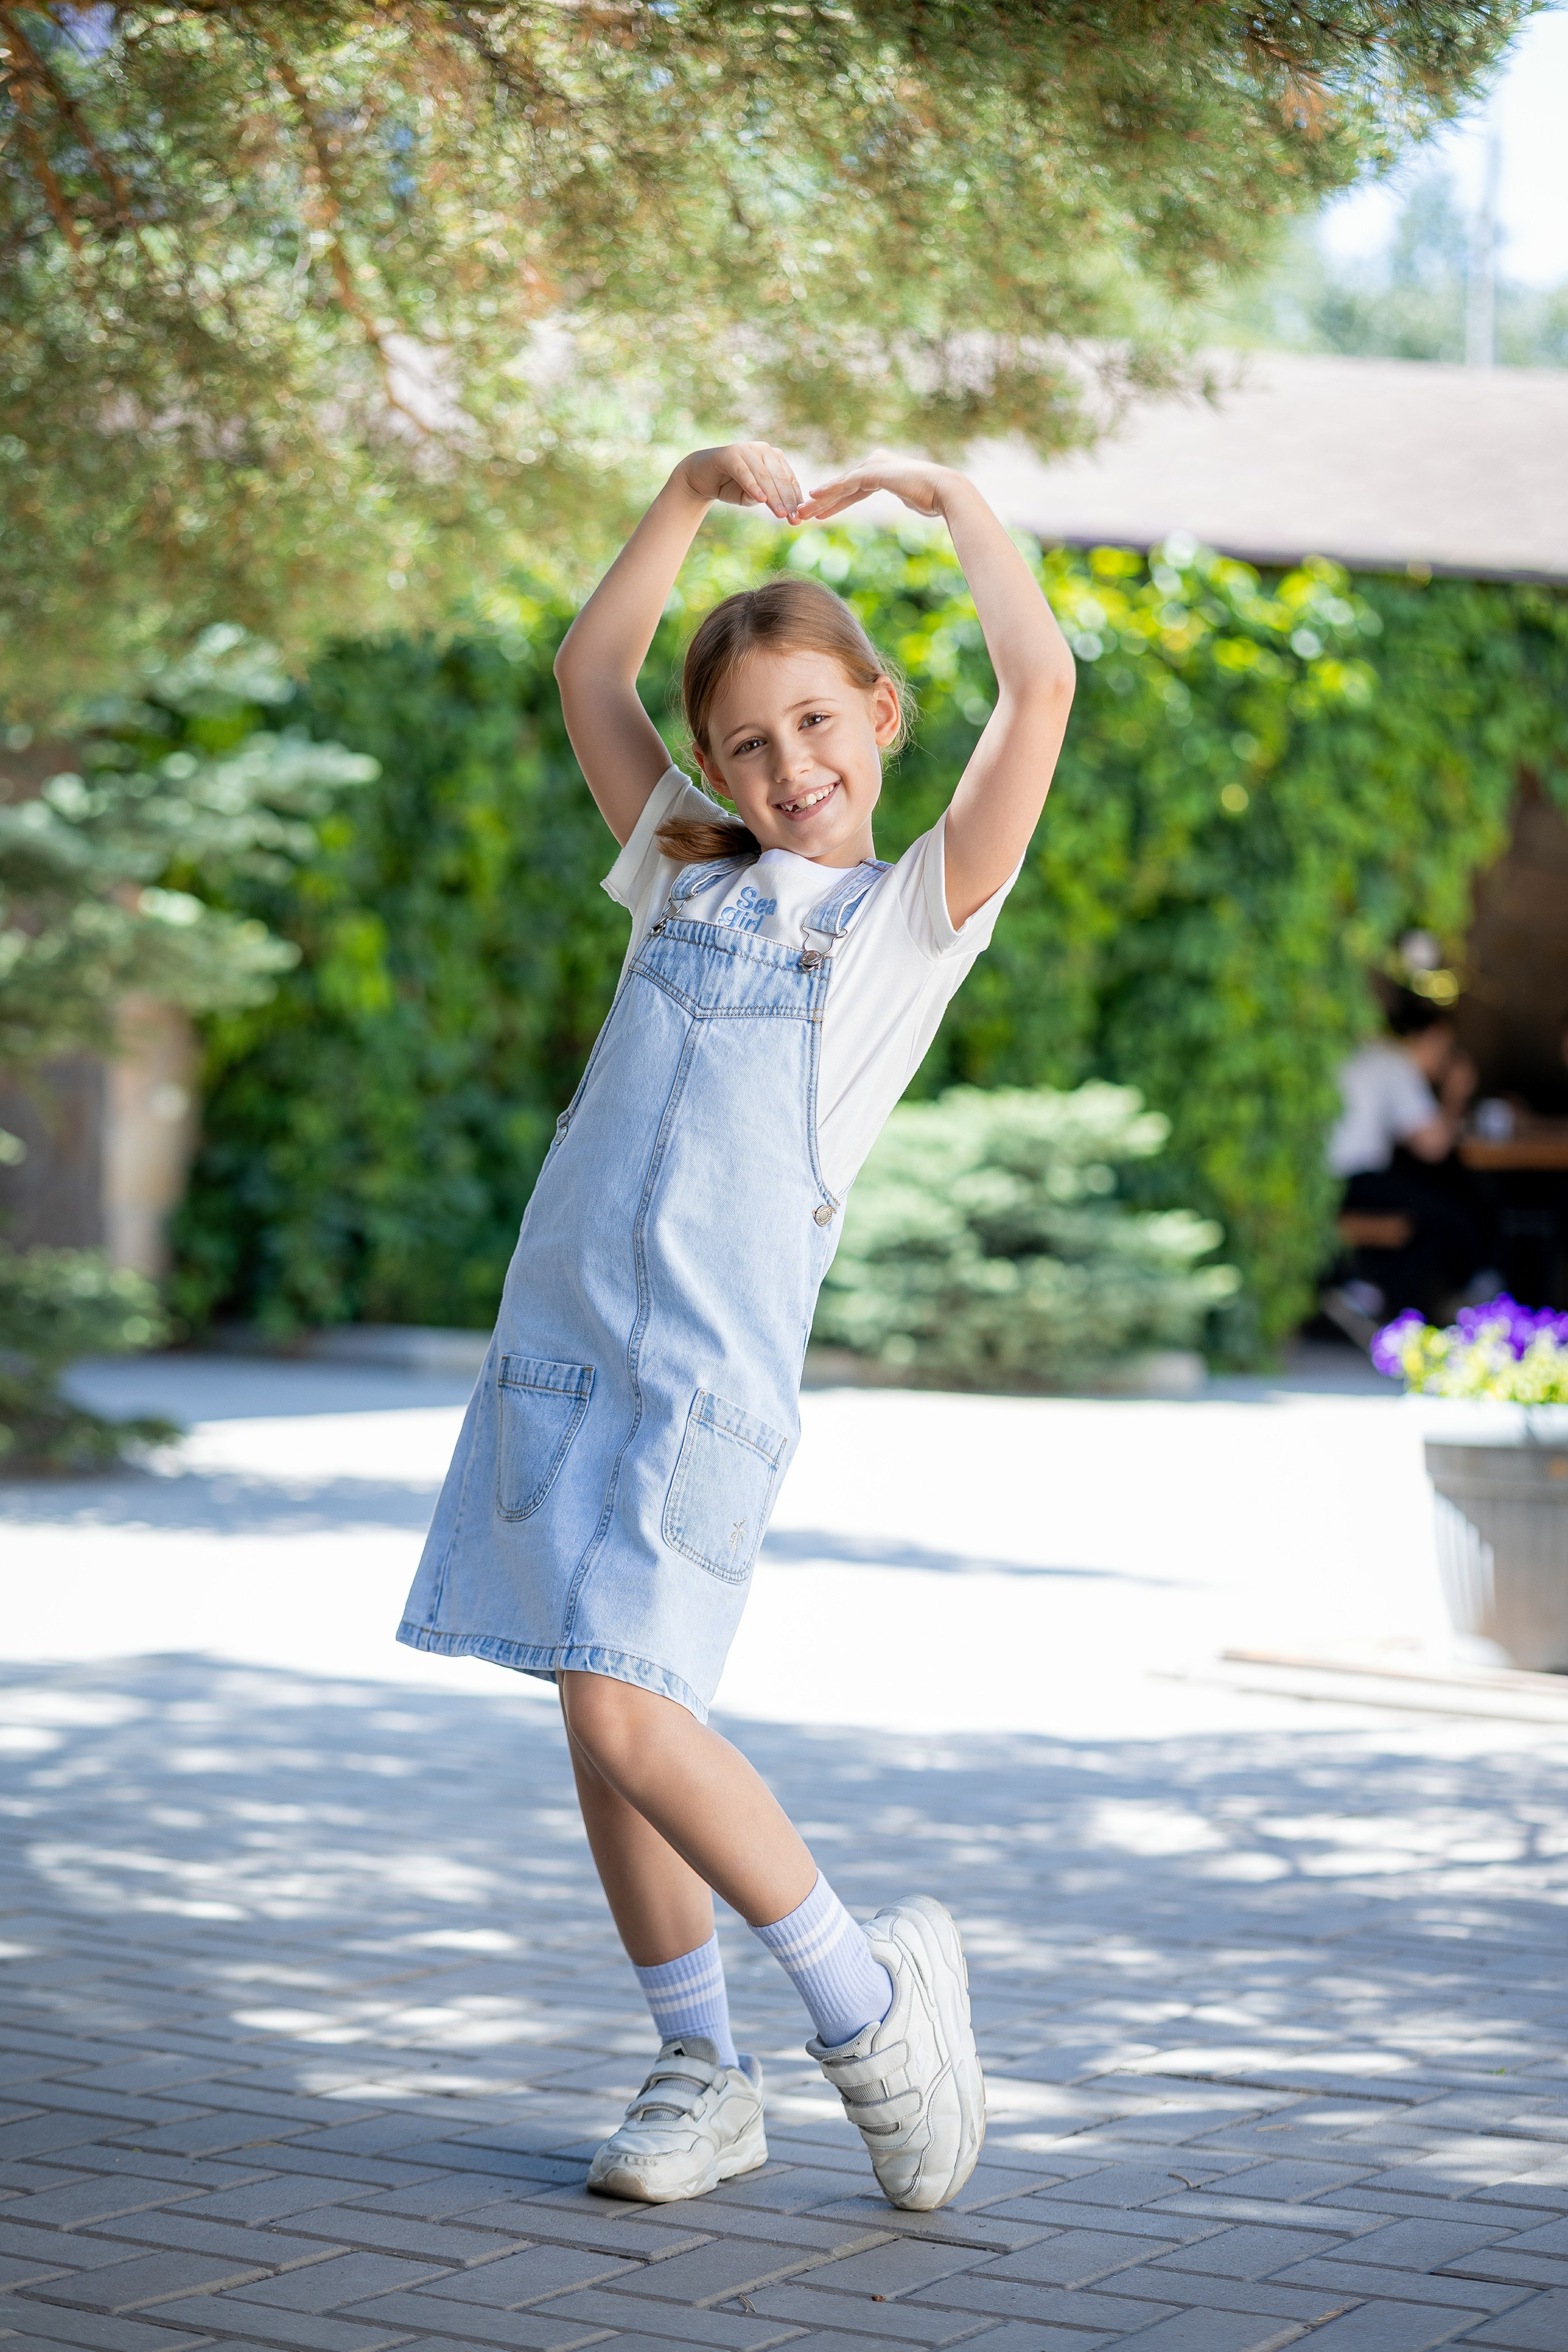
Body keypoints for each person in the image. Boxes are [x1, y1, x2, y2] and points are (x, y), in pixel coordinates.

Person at [397, 443, 1076, 2210]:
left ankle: (872, 2012)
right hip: (563, 1347)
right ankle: (702, 2068)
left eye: (820, 726)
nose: (792, 769)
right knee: (595, 1713)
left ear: (882, 710)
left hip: (702, 1381)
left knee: (635, 1717)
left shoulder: (908, 923)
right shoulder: (676, 870)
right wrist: (694, 485)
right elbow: (586, 671)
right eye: (751, 744)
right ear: (709, 768)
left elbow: (1046, 682)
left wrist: (952, 508)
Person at [1326, 991, 1490, 1326]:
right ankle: (1463, 1302)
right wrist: (1455, 1094)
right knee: (1454, 1217)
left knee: (1426, 1215)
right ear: (1427, 1038)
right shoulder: (1394, 1060)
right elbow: (1433, 1146)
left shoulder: (1362, 1050)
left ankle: (1373, 1295)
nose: (1445, 1062)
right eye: (1444, 1050)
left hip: (1323, 1181)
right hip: (1353, 1180)